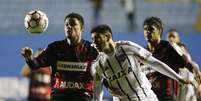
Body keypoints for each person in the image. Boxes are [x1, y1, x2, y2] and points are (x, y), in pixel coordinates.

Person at [90, 24, 190, 101]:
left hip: (145, 97)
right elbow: (97, 91)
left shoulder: (127, 47)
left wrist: (178, 78)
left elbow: (155, 63)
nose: (94, 43)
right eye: (92, 39)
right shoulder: (97, 64)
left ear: (108, 36)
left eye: (97, 38)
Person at [21, 12, 99, 101]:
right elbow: (35, 64)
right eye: (66, 25)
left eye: (73, 24)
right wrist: (28, 57)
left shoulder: (91, 49)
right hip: (59, 95)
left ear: (82, 28)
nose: (68, 27)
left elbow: (103, 70)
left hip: (82, 95)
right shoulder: (55, 48)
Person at [143, 16, 195, 101]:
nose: (147, 32)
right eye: (145, 29)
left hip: (166, 96)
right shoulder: (143, 52)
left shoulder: (168, 48)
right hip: (149, 97)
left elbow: (187, 64)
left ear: (159, 31)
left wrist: (195, 75)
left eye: (151, 29)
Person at [167, 29, 201, 101]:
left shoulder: (183, 52)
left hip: (187, 94)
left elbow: (192, 66)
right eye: (169, 36)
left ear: (178, 39)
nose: (171, 39)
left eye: (173, 36)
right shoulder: (164, 57)